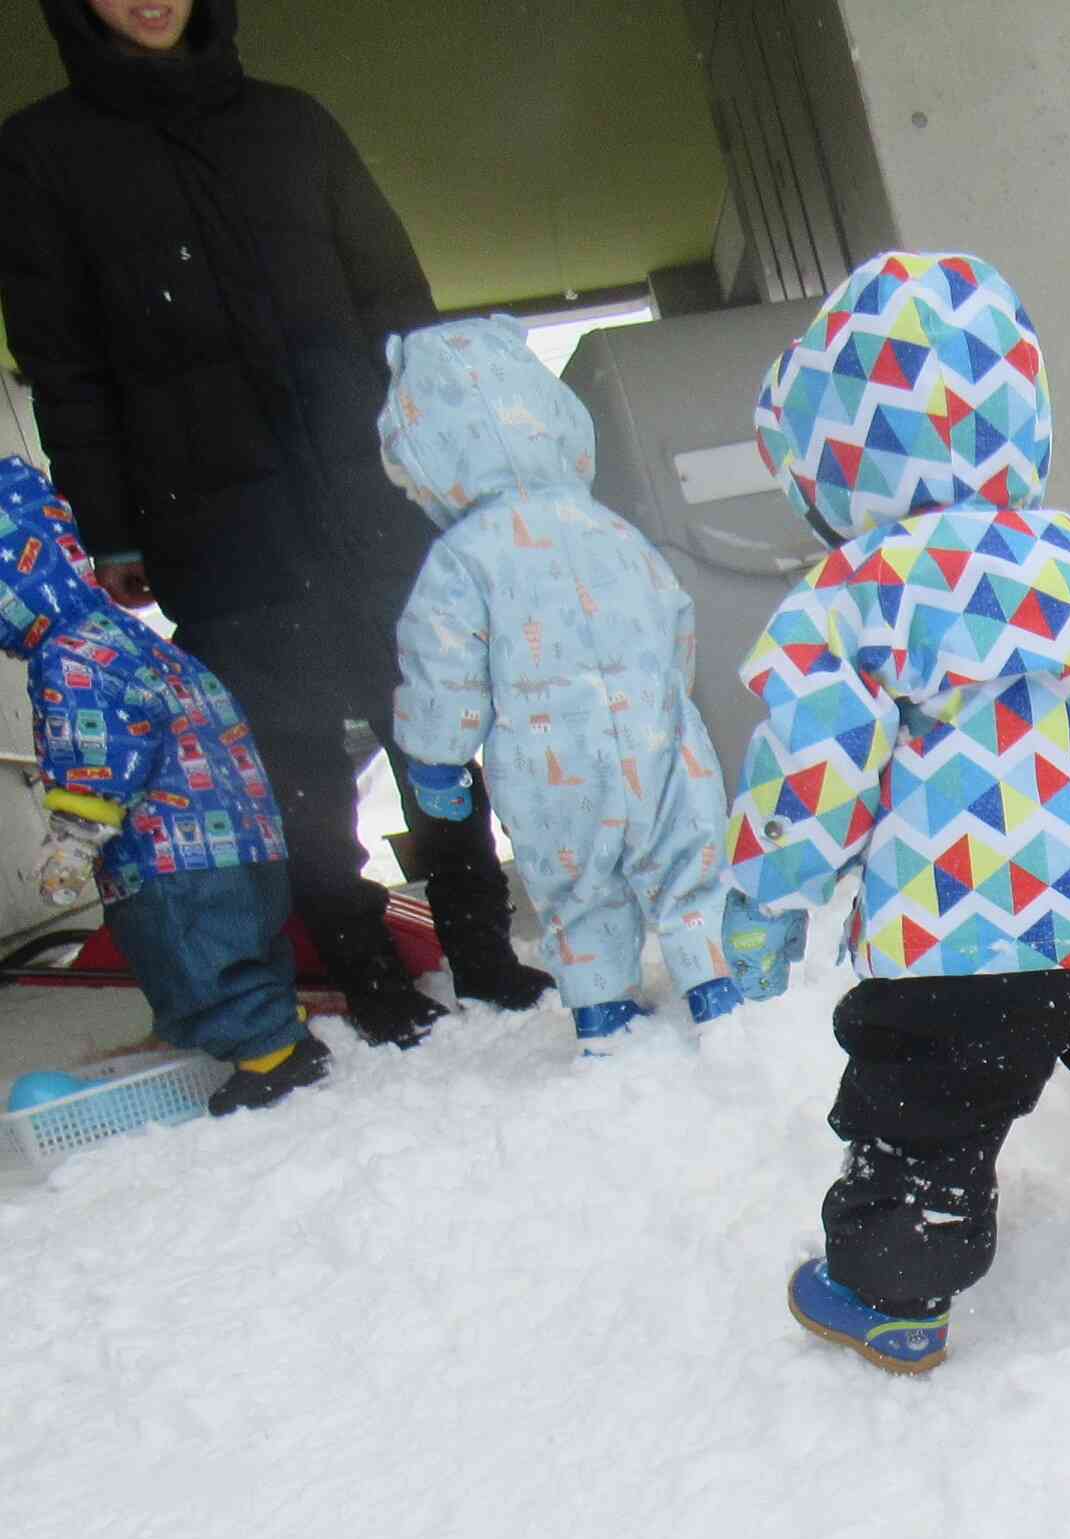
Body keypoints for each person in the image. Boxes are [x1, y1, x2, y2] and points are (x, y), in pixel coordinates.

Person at [0, 0, 547, 1048]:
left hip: (367, 493)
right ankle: (368, 971)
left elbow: (399, 302)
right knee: (285, 758)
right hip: (209, 511)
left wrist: (447, 457)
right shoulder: (40, 155)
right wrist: (111, 528)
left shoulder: (293, 124)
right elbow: (64, 365)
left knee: (429, 722)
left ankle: (484, 951)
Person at [726, 250, 1070, 1374]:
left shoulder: (855, 591)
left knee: (928, 1107)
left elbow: (816, 762)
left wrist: (768, 891)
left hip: (969, 937)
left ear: (831, 448)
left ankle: (898, 1285)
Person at [378, 317, 773, 1053]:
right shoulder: (608, 528)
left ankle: (605, 1016)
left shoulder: (462, 558)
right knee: (690, 863)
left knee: (577, 886)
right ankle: (717, 990)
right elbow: (672, 620)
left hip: (547, 755)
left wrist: (437, 757)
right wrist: (665, 698)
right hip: (655, 730)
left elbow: (443, 667)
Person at [7, 455, 325, 1111]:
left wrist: (72, 842)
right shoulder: (126, 634)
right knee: (240, 946)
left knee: (193, 957)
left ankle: (273, 1057)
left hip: (173, 853)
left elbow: (95, 751)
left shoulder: (67, 653)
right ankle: (275, 1026)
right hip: (241, 836)